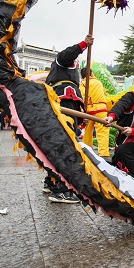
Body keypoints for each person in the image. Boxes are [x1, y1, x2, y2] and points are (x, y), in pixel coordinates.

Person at [42, 35, 93, 203]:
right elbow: (66, 55)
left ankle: (51, 182)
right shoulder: (61, 62)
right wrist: (83, 45)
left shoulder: (62, 74)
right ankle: (61, 190)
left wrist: (81, 113)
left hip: (66, 105)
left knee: (59, 143)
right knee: (65, 144)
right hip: (64, 104)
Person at [80, 67, 110, 157]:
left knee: (87, 132)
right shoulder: (98, 83)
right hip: (101, 109)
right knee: (103, 132)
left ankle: (87, 152)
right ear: (92, 74)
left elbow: (82, 98)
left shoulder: (82, 84)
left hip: (89, 110)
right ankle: (104, 153)